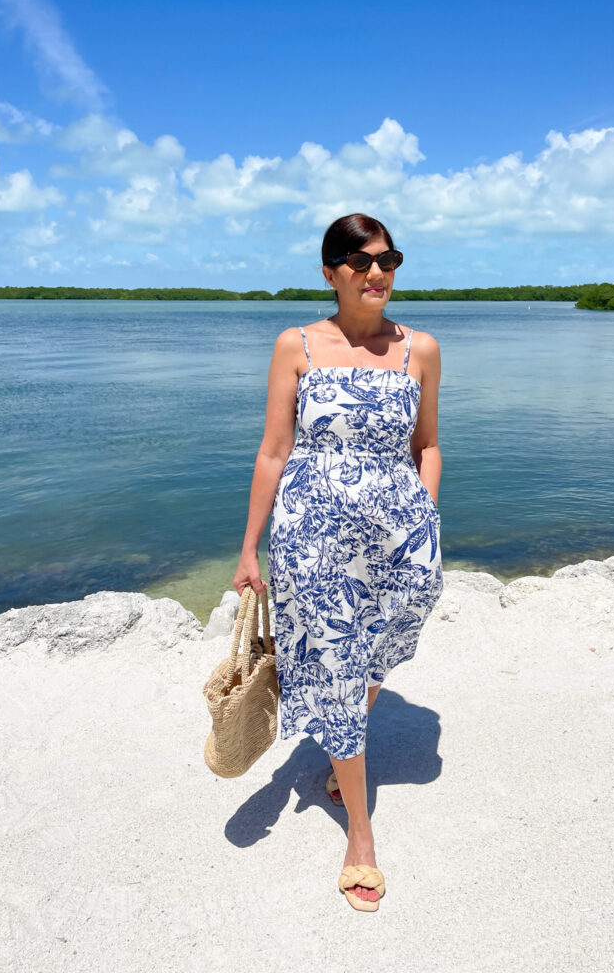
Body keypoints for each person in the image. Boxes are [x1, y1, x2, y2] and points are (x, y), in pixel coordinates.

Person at [233, 213, 444, 912]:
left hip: (399, 537)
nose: (376, 273)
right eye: (359, 262)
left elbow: (427, 445)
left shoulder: (420, 349)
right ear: (330, 273)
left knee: (376, 654)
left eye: (388, 260)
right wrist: (249, 547)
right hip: (312, 539)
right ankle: (360, 836)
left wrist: (425, 517)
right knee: (337, 667)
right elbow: (274, 450)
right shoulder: (296, 345)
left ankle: (340, 734)